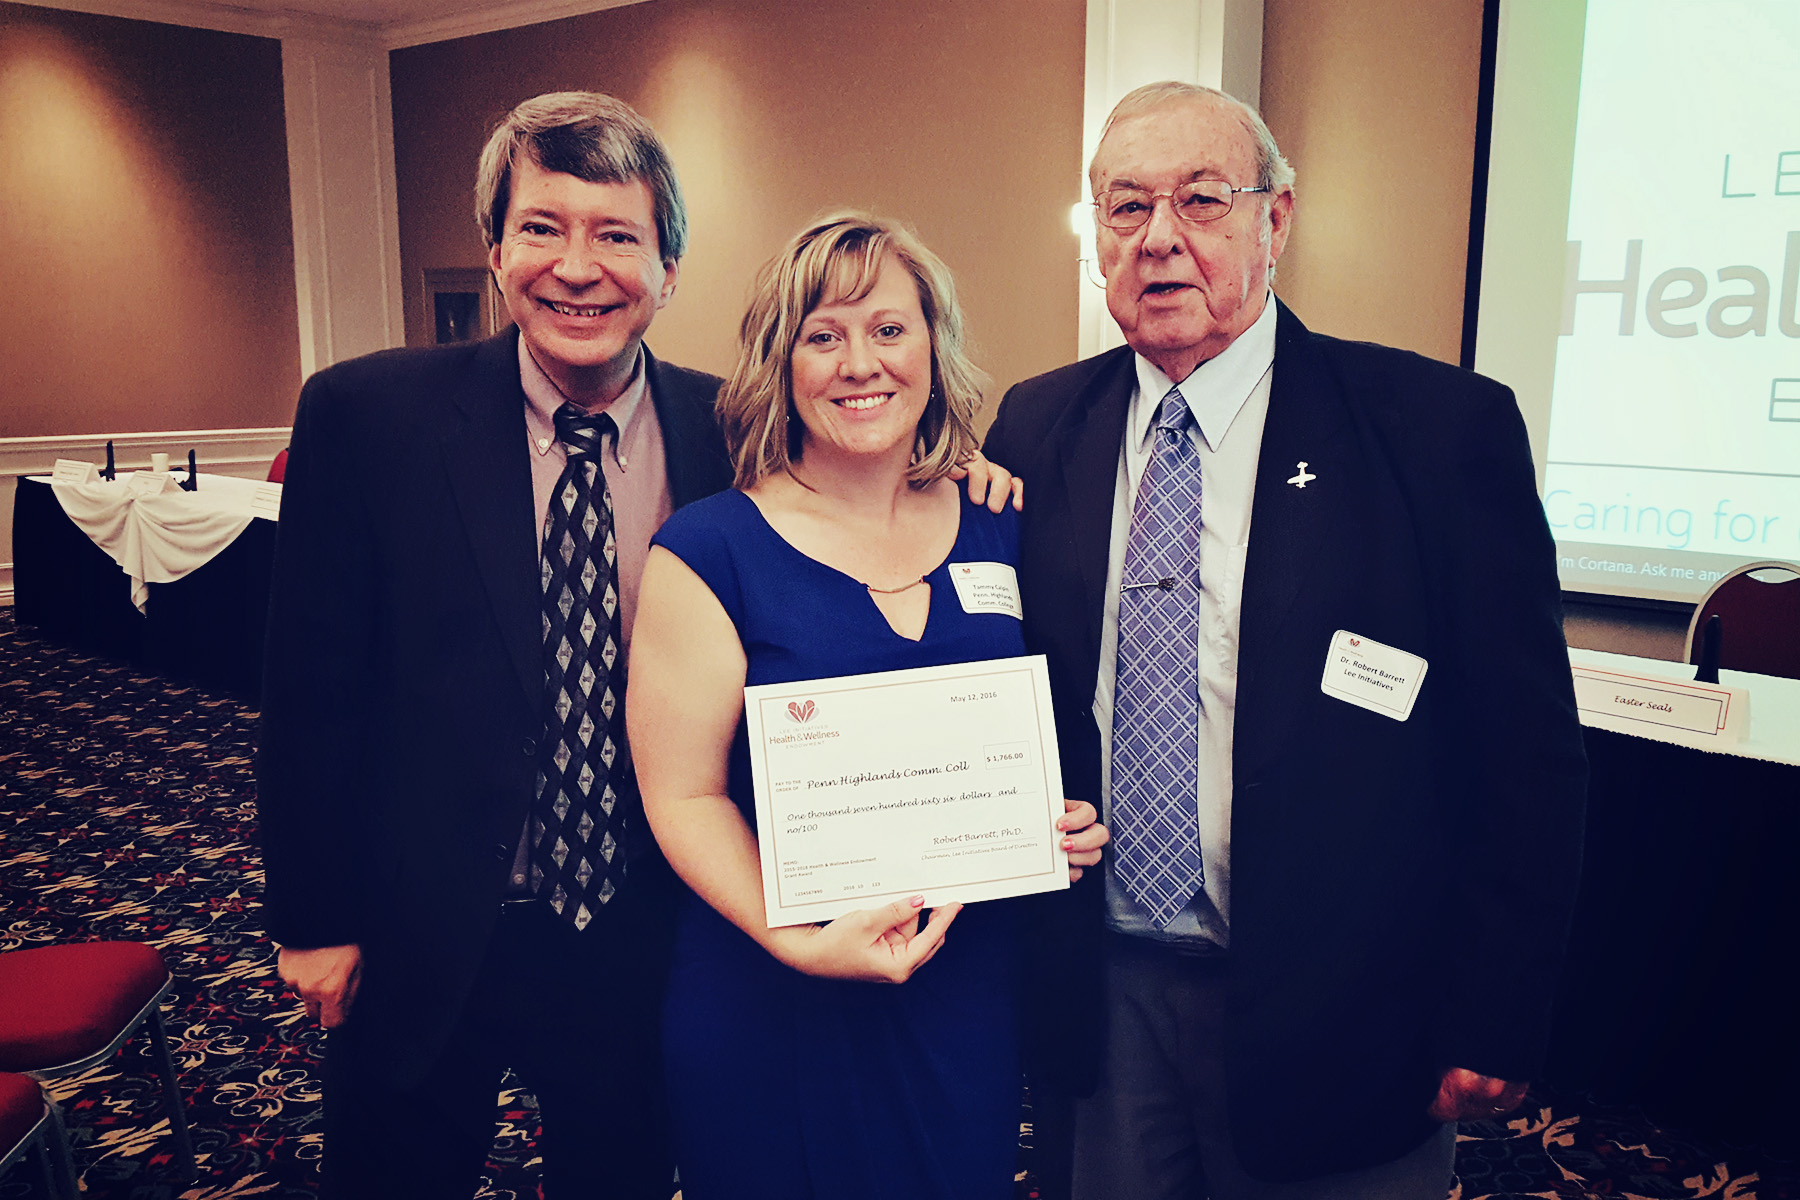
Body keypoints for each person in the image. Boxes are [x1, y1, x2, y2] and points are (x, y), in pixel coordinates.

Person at [983, 82, 1588, 1200]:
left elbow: (1526, 762)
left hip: (1345, 1001)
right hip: (1102, 996)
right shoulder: (1033, 424)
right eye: (1125, 208)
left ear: (1277, 222)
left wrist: (1498, 1010)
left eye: (1203, 200)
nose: (1160, 239)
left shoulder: (1437, 431)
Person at [627, 213, 1109, 1200]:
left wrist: (1047, 825)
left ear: (933, 346)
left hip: (959, 987)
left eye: (889, 330)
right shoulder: (709, 550)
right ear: (782, 362)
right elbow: (682, 797)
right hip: (771, 992)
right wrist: (796, 940)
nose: (860, 363)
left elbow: (1046, 726)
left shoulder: (1000, 525)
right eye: (823, 334)